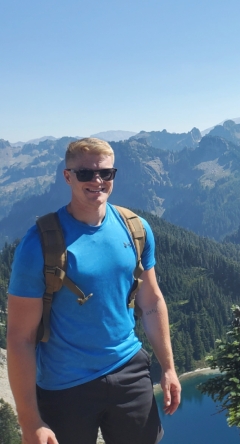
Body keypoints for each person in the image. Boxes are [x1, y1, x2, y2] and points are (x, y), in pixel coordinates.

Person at [7, 137, 181, 444]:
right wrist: (29, 421)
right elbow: (20, 338)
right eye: (85, 173)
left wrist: (168, 368)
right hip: (64, 387)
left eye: (105, 173)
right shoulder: (38, 245)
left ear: (114, 175)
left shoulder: (136, 229)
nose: (96, 181)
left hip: (130, 371)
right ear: (67, 176)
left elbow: (151, 301)